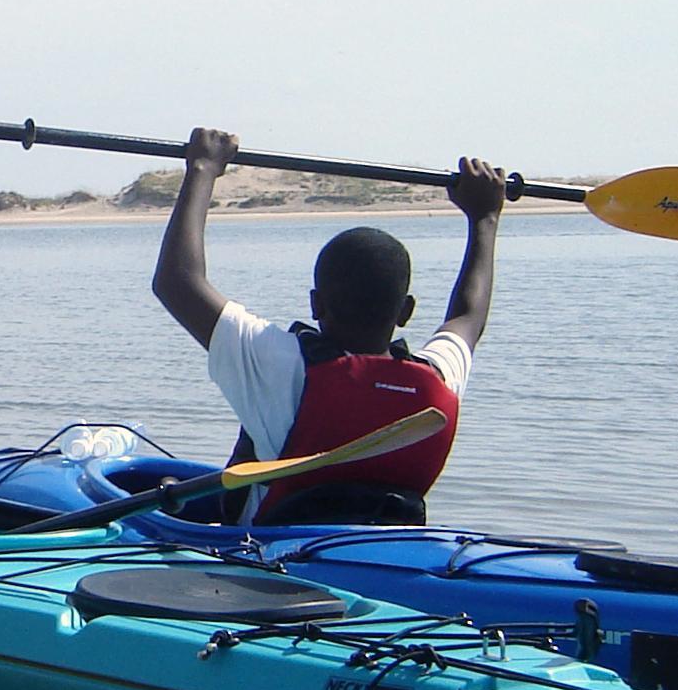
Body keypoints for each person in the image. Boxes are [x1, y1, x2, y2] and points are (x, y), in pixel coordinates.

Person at [152, 131, 508, 525]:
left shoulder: (281, 366)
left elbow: (176, 282)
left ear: (316, 304)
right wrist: (485, 218)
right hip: (383, 550)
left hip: (269, 556)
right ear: (405, 311)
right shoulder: (438, 379)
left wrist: (203, 168)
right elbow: (469, 316)